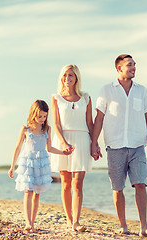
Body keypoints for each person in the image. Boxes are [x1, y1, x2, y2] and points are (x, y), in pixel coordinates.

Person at [91, 54, 147, 237]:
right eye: (130, 65)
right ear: (119, 68)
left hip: (137, 145)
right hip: (115, 146)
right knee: (117, 187)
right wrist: (93, 142)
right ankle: (123, 225)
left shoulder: (142, 91)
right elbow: (99, 118)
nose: (134, 67)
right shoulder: (106, 90)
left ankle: (143, 227)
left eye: (134, 65)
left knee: (141, 185)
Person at [8, 100, 74, 232]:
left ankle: (32, 222)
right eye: (40, 117)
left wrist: (63, 152)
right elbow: (18, 147)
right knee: (28, 191)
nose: (42, 119)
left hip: (41, 164)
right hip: (28, 163)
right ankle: (27, 222)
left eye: (44, 117)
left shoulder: (47, 129)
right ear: (33, 114)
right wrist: (12, 166)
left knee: (37, 193)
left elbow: (49, 148)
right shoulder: (25, 128)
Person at [50, 64, 94, 232]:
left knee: (78, 184)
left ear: (76, 78)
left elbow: (90, 123)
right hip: (63, 140)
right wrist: (63, 143)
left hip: (82, 139)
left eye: (71, 75)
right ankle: (69, 220)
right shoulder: (56, 98)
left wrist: (94, 144)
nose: (67, 78)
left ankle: (76, 221)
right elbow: (55, 123)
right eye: (64, 75)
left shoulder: (86, 98)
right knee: (66, 183)